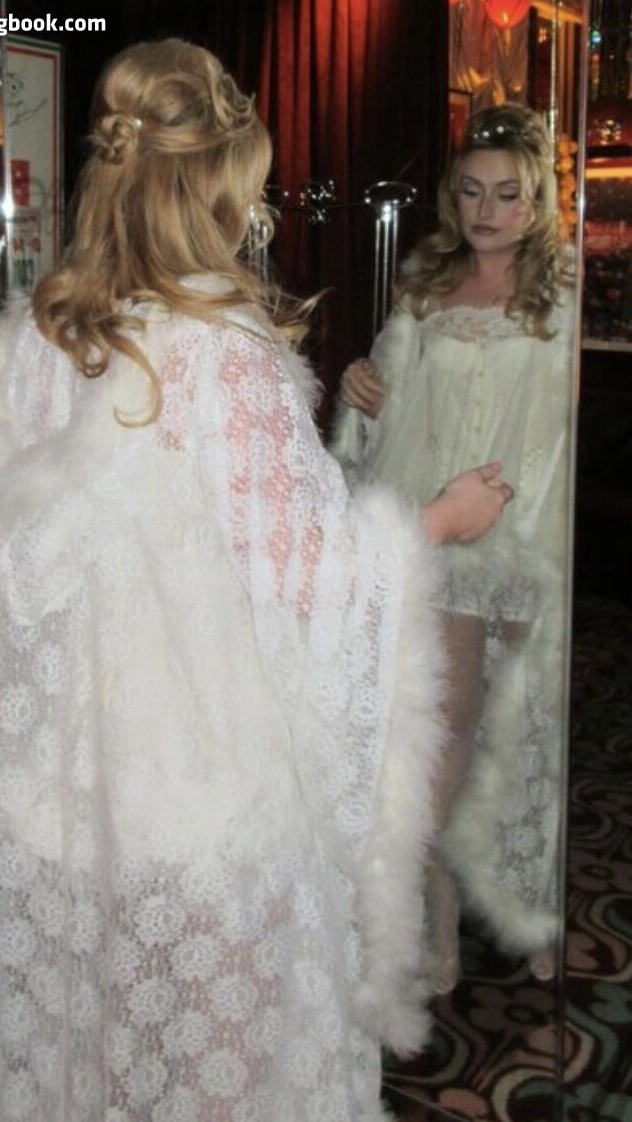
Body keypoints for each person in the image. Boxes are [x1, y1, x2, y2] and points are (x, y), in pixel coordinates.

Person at [0, 40, 511, 1122]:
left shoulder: (36, 339)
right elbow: (314, 580)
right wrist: (439, 520)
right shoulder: (220, 352)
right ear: (220, 181)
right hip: (200, 792)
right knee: (217, 1076)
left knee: (86, 1046)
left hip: (53, 790)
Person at [331, 103, 575, 994]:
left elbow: (560, 434)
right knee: (441, 730)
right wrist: (360, 388)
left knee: (524, 731)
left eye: (507, 194)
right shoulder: (426, 287)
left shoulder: (561, 297)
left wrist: (521, 530)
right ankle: (426, 924)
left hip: (526, 537)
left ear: (536, 202)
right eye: (472, 192)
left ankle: (525, 908)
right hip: (441, 536)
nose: (487, 211)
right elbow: (386, 408)